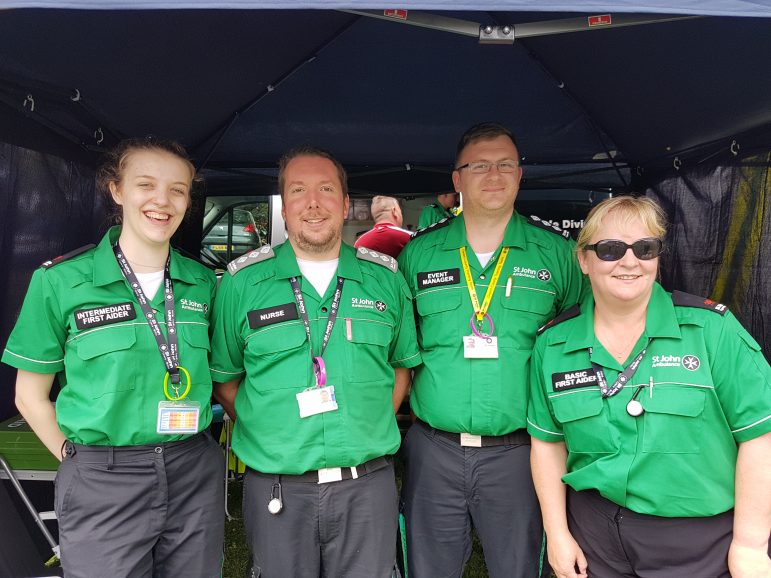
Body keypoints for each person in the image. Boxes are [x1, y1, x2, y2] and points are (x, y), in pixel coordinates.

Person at [1, 138, 224, 578]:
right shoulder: (61, 281)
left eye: (177, 190)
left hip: (192, 468)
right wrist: (73, 457)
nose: (163, 201)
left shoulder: (203, 283)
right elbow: (29, 394)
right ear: (116, 190)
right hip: (103, 475)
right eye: (146, 185)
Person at [528, 195, 771, 578]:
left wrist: (750, 545)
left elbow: (759, 437)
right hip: (594, 538)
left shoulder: (711, 331)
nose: (629, 261)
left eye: (645, 248)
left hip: (696, 546)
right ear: (584, 260)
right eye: (610, 249)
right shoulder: (553, 345)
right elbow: (547, 443)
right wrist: (557, 534)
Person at [210, 146, 421, 577]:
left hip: (366, 485)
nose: (313, 202)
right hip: (278, 486)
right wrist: (271, 432)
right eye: (298, 190)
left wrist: (369, 420)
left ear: (345, 204)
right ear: (283, 207)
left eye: (326, 189)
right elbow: (226, 378)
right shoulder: (242, 283)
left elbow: (402, 366)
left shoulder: (384, 277)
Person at [398, 122, 586, 578]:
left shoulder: (556, 254)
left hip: (521, 453)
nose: (494, 174)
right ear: (457, 179)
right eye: (479, 165)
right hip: (433, 450)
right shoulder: (418, 255)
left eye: (506, 164)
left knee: (519, 568)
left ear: (520, 175)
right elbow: (397, 350)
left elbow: (581, 345)